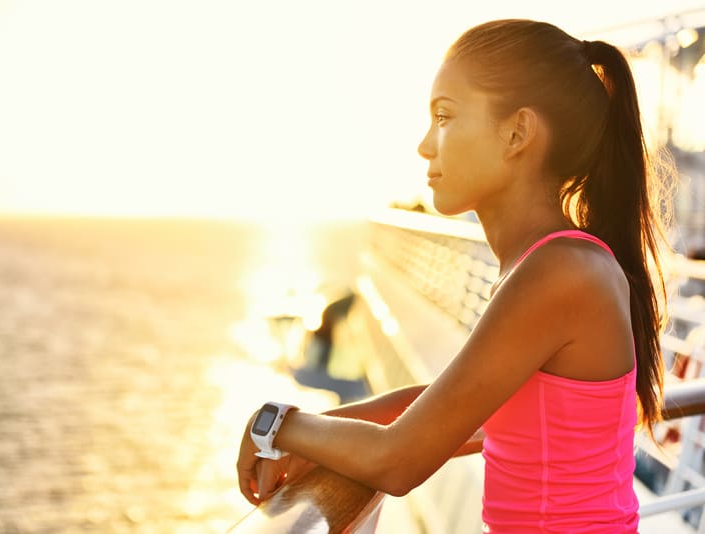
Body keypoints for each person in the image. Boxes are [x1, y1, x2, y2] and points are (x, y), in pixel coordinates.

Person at [237, 19, 672, 532]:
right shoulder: (551, 263)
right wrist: (321, 429)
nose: (425, 145)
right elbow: (447, 401)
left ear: (517, 132)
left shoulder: (558, 272)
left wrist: (276, 424)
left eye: (444, 116)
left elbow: (398, 460)